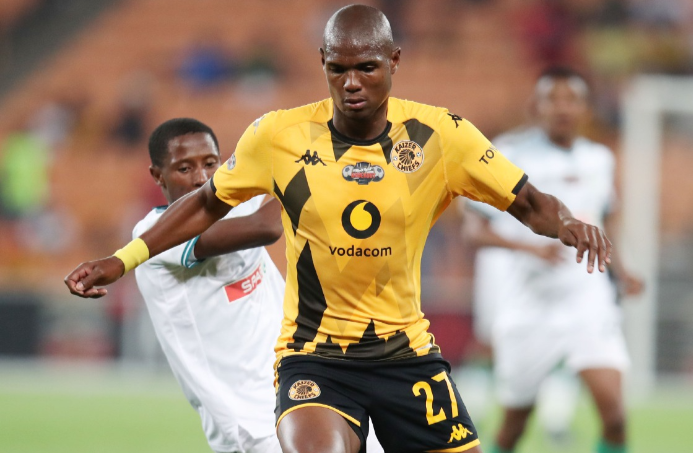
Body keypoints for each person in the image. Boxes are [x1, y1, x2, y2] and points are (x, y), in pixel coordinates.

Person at [65, 6, 612, 453]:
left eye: (367, 68)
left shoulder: (441, 136)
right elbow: (207, 203)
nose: (351, 83)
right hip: (315, 357)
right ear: (322, 62)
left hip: (406, 354)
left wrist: (568, 225)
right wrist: (123, 260)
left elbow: (528, 200)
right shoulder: (277, 135)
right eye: (337, 69)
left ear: (395, 61)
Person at [462, 67, 643, 453]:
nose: (562, 108)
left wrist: (622, 271)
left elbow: (604, 217)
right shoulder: (508, 155)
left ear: (585, 109)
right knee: (513, 429)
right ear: (535, 107)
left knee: (615, 416)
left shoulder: (599, 159)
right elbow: (473, 231)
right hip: (528, 308)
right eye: (552, 99)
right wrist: (530, 248)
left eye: (571, 99)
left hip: (587, 302)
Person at [127, 117, 287, 453]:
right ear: (158, 176)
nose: (201, 178)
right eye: (184, 168)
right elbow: (266, 227)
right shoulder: (154, 235)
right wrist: (315, 178)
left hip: (304, 394)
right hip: (250, 424)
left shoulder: (239, 203)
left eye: (210, 164)